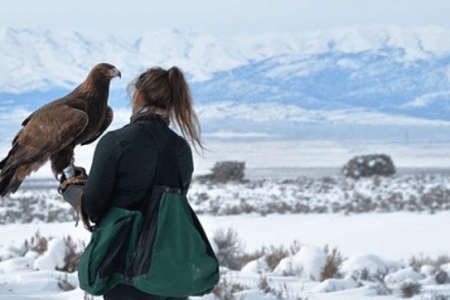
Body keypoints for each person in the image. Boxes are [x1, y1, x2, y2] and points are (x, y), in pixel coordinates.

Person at [61, 66, 214, 300]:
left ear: (138, 96)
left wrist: (73, 190)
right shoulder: (181, 149)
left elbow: (93, 208)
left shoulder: (116, 142)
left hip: (124, 273)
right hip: (170, 273)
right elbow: (164, 209)